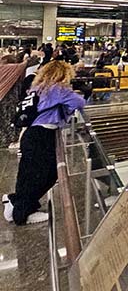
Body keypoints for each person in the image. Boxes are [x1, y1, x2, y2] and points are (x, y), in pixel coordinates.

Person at [3, 60, 86, 225]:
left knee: (29, 174)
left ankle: (16, 203)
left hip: (31, 134)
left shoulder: (37, 88)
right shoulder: (58, 89)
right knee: (45, 175)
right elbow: (79, 102)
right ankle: (23, 213)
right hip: (43, 135)